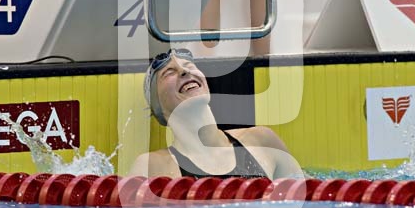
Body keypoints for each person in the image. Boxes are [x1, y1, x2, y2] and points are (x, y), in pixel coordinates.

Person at [129, 49, 302, 179]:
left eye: (189, 66)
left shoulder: (262, 141)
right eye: (169, 73)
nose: (184, 71)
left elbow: (304, 203)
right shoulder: (151, 166)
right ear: (158, 108)